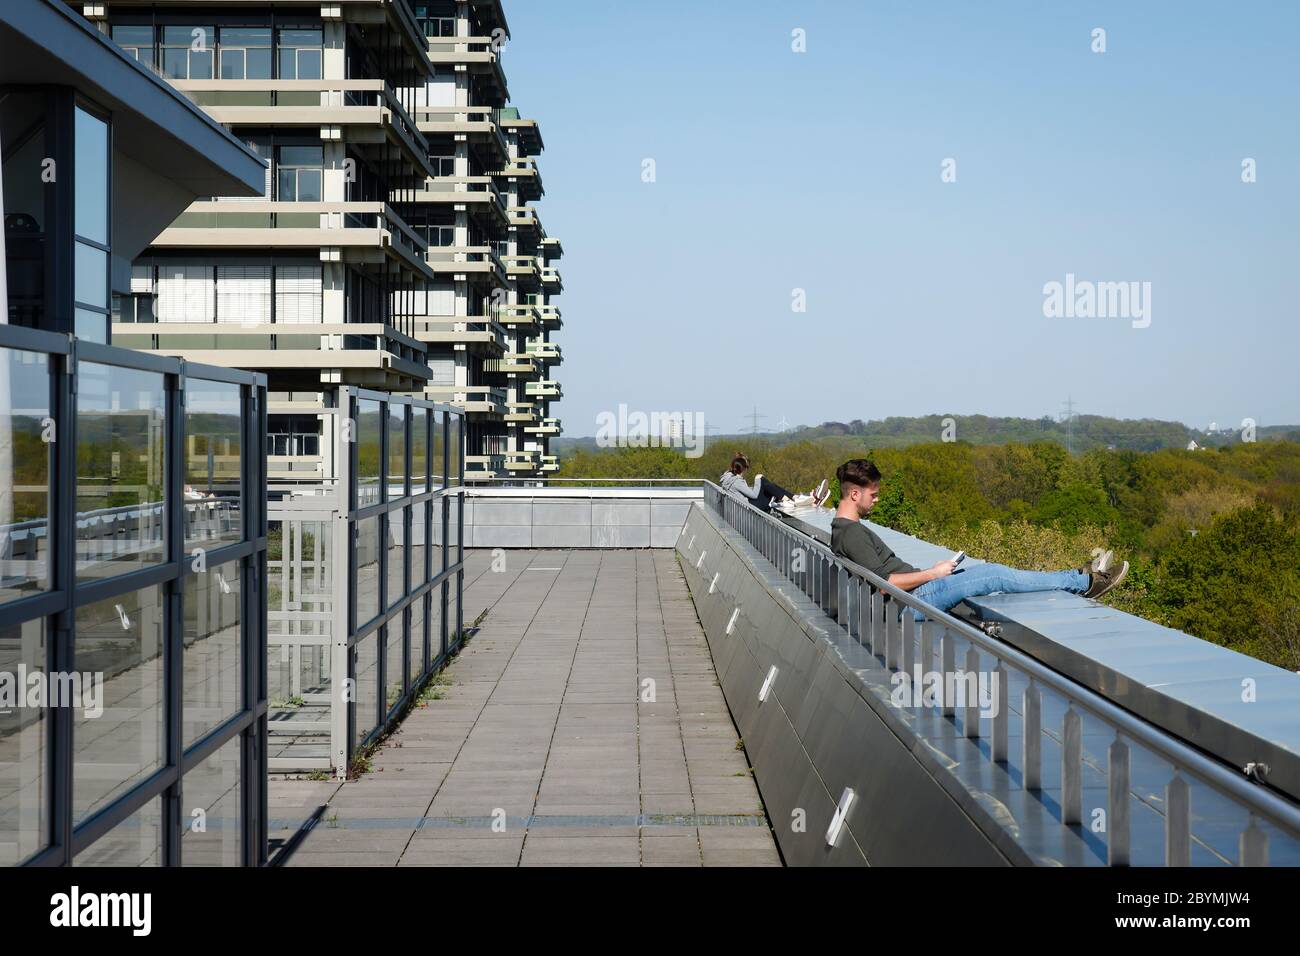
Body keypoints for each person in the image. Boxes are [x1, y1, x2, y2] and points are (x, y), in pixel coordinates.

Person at [830, 458, 1127, 618]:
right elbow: (885, 585)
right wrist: (933, 573)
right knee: (994, 575)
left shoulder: (844, 528)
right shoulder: (852, 533)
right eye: (874, 494)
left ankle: (1076, 576)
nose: (877, 500)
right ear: (855, 493)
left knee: (990, 575)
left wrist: (932, 573)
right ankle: (1086, 583)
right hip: (913, 601)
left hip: (917, 592)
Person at [719, 453, 829, 513]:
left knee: (770, 486)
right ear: (743, 469)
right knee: (762, 481)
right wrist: (758, 480)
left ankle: (794, 498)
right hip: (748, 509)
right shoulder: (736, 481)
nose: (748, 470)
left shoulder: (730, 478)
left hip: (744, 507)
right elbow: (753, 495)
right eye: (747, 467)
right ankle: (794, 498)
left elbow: (747, 493)